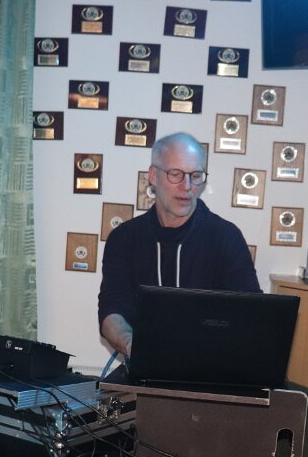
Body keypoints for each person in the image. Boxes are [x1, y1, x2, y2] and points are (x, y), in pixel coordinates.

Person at [97, 132, 260, 357]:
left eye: (195, 175)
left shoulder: (226, 238)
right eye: (175, 174)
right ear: (153, 176)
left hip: (211, 368)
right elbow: (112, 309)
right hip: (144, 364)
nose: (187, 186)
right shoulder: (124, 239)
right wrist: (134, 345)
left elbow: (252, 315)